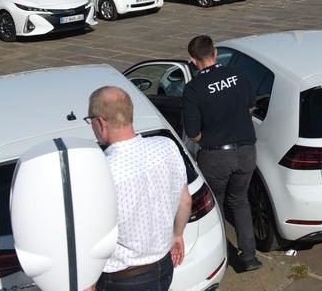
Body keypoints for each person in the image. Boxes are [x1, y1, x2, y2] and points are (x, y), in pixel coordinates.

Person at [87, 86, 190, 291]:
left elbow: (91, 236)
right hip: (164, 266)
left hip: (123, 279)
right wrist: (177, 235)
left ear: (100, 122)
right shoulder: (167, 146)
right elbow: (185, 200)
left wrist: (87, 283)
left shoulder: (101, 172)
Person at [182, 35, 262, 273]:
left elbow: (193, 133)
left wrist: (212, 138)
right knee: (240, 200)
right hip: (246, 151)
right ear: (215, 53)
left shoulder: (193, 88)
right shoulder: (239, 74)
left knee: (215, 206)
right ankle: (249, 256)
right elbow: (250, 107)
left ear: (193, 61)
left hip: (216, 156)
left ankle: (220, 254)